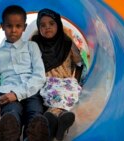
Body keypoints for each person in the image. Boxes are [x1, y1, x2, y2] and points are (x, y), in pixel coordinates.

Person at [0, 5, 49, 141]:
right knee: (11, 113)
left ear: (24, 27)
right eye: (9, 26)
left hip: (31, 91)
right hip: (7, 92)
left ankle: (33, 136)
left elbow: (39, 76)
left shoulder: (32, 47)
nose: (13, 30)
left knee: (35, 114)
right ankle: (10, 136)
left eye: (18, 26)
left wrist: (17, 94)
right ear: (2, 26)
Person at [31, 8, 84, 141]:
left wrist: (76, 81)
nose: (47, 27)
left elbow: (79, 64)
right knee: (53, 95)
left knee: (67, 93)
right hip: (46, 81)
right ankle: (60, 122)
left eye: (51, 23)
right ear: (38, 27)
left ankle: (53, 122)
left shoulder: (67, 43)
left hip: (65, 81)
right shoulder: (35, 43)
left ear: (58, 25)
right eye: (42, 25)